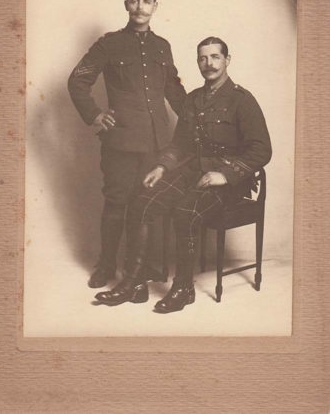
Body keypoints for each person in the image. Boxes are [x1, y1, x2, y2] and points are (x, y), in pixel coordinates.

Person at [95, 36, 272, 312]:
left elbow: (262, 150)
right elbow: (180, 145)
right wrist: (161, 166)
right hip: (194, 171)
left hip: (228, 182)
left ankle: (183, 289)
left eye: (215, 57)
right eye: (202, 58)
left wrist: (224, 175)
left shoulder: (242, 100)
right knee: (143, 202)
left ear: (227, 60)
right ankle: (134, 283)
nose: (208, 63)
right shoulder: (193, 99)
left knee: (185, 211)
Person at [68, 0, 186, 288]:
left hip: (156, 144)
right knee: (117, 203)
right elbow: (77, 80)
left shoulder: (163, 47)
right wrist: (95, 114)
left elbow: (174, 90)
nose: (140, 7)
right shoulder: (109, 44)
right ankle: (106, 266)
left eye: (146, 1)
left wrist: (197, 116)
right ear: (126, 5)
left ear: (155, 7)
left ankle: (139, 268)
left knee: (145, 205)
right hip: (121, 142)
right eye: (134, 1)